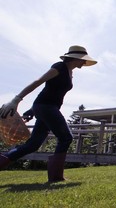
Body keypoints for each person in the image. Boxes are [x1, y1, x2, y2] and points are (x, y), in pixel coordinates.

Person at [0, 45, 97, 182]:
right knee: (66, 138)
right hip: (47, 107)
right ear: (76, 58)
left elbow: (51, 92)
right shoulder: (59, 67)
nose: (84, 63)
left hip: (45, 107)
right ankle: (56, 177)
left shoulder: (70, 72)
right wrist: (16, 99)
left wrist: (33, 110)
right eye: (83, 60)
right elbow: (39, 81)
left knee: (32, 145)